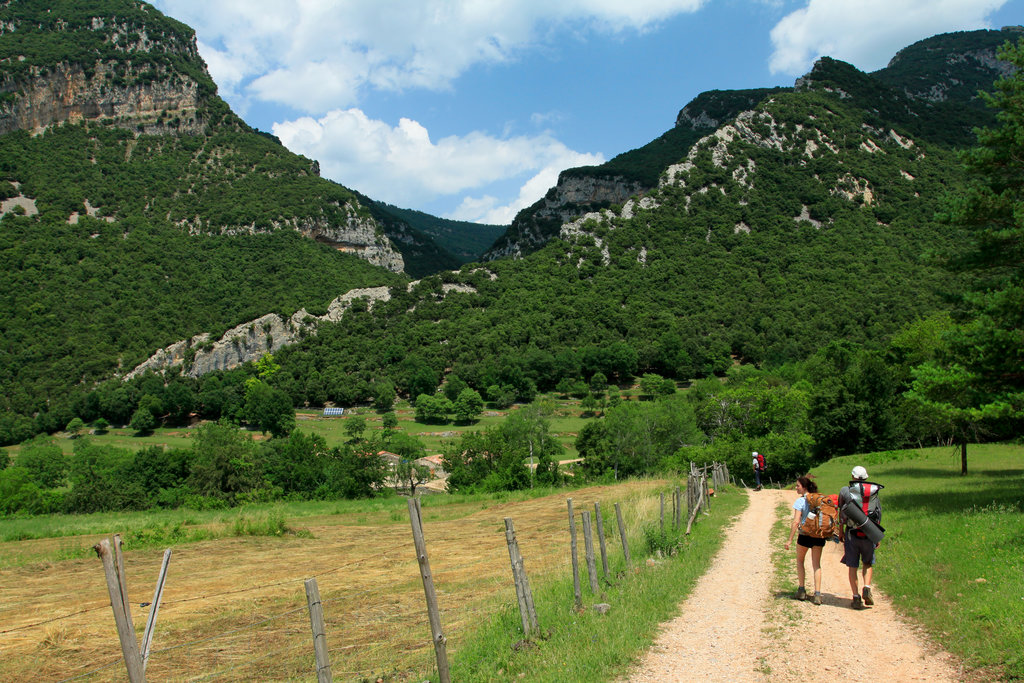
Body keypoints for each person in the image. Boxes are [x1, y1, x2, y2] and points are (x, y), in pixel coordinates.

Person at [839, 465, 883, 609]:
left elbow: (842, 513)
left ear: (852, 477)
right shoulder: (874, 493)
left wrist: (840, 531)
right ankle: (867, 587)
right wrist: (875, 535)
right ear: (866, 478)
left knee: (852, 566)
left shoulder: (846, 491)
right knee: (868, 563)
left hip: (852, 534)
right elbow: (878, 514)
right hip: (869, 534)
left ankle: (856, 597)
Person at [784, 475, 825, 605]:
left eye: (798, 486)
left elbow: (796, 522)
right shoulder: (819, 499)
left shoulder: (800, 501)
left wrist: (790, 539)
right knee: (816, 565)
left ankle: (801, 590)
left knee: (800, 561)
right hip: (819, 535)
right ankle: (817, 594)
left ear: (804, 487)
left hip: (805, 535)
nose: (796, 488)